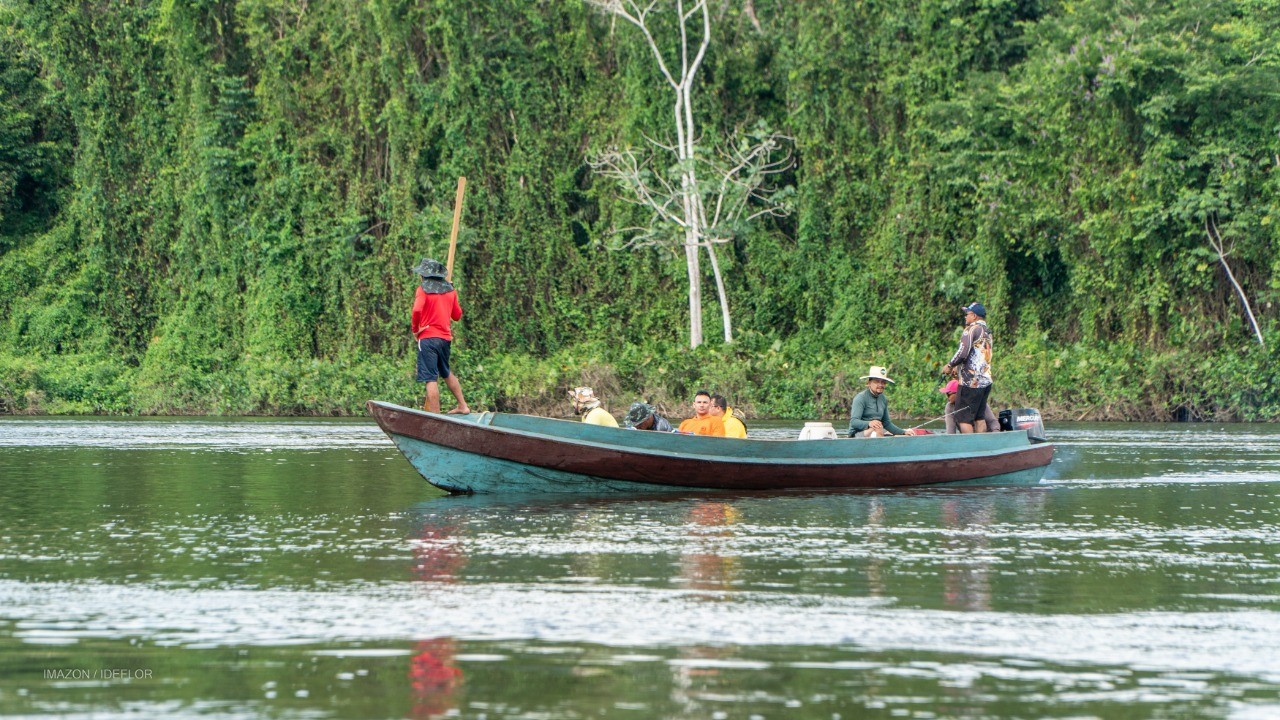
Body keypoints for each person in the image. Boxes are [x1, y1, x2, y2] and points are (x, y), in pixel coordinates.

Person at [411, 258, 470, 414]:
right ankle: (463, 405)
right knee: (445, 372)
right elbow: (457, 316)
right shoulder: (450, 291)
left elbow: (416, 311)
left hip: (428, 338)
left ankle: (436, 417)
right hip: (444, 339)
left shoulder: (422, 290)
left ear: (423, 276)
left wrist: (415, 329)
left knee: (430, 378)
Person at [943, 302, 993, 434]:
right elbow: (977, 355)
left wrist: (950, 365)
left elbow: (963, 352)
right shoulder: (988, 332)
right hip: (985, 381)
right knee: (979, 417)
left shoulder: (971, 329)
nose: (965, 317)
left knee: (963, 418)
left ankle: (971, 448)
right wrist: (959, 367)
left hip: (970, 382)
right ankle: (981, 447)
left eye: (968, 314)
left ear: (975, 316)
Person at [848, 366, 919, 437]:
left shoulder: (883, 399)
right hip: (856, 434)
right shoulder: (860, 398)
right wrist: (869, 423)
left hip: (877, 431)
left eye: (883, 382)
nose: (880, 385)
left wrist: (903, 432)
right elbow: (854, 422)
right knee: (878, 429)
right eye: (877, 381)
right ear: (869, 383)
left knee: (901, 434)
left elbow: (887, 423)